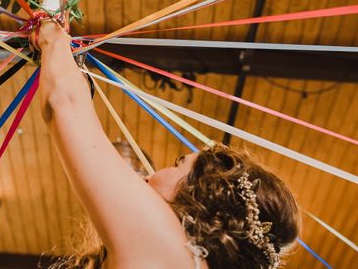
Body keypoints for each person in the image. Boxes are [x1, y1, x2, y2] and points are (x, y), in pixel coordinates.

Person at [34, 19, 301, 269]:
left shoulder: (168, 245)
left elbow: (63, 102)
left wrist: (49, 29)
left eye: (178, 164)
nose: (152, 173)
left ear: (199, 196)